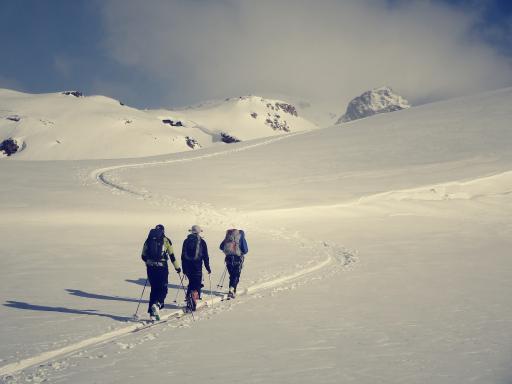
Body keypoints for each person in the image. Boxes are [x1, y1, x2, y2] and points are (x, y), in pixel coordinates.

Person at [141, 224, 181, 320]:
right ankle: (157, 304)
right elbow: (172, 256)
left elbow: (143, 256)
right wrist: (177, 268)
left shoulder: (148, 239)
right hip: (162, 268)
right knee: (163, 288)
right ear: (163, 231)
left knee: (154, 289)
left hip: (150, 268)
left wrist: (149, 262)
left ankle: (152, 313)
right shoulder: (166, 240)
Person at [181, 225, 211, 311]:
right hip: (197, 266)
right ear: (199, 232)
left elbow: (182, 256)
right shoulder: (202, 242)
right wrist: (207, 267)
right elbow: (206, 256)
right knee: (197, 283)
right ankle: (193, 299)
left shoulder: (186, 241)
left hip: (187, 266)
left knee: (191, 282)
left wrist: (184, 268)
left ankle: (189, 298)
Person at [220, 229, 248, 299]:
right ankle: (232, 289)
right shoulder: (241, 238)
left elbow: (221, 247)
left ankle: (232, 290)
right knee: (236, 275)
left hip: (228, 259)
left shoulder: (228, 237)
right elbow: (245, 250)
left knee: (232, 275)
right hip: (237, 259)